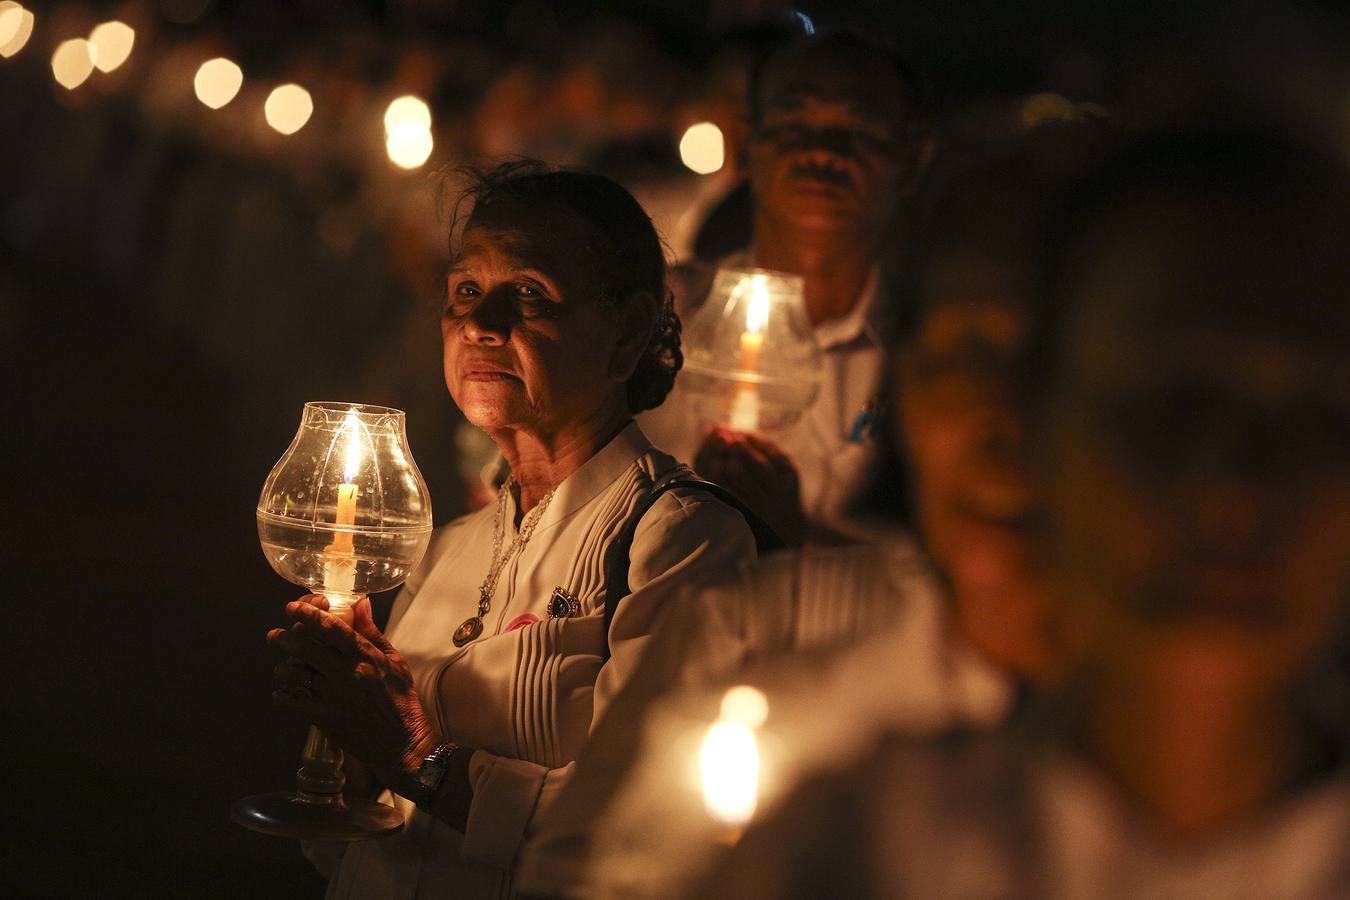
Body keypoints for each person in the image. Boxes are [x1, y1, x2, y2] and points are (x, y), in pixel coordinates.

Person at [694, 123, 1350, 898]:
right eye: (1172, 407)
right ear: (1048, 415)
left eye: (1321, 414)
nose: (1233, 490)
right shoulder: (849, 855)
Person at [517, 124, 1103, 898]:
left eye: (1061, 361)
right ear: (906, 382)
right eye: (968, 351)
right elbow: (576, 869)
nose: (1006, 416)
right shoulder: (755, 639)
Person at [266, 163, 757, 898]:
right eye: (466, 291)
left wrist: (416, 755)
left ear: (627, 333)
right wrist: (348, 741)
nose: (480, 324)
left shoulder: (680, 541)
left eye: (528, 293)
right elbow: (359, 844)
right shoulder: (447, 547)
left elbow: (647, 826)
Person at [640, 28, 934, 546]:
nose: (821, 154)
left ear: (912, 159)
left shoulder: (927, 348)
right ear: (749, 142)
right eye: (793, 125)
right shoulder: (653, 317)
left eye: (858, 129)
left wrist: (792, 537)